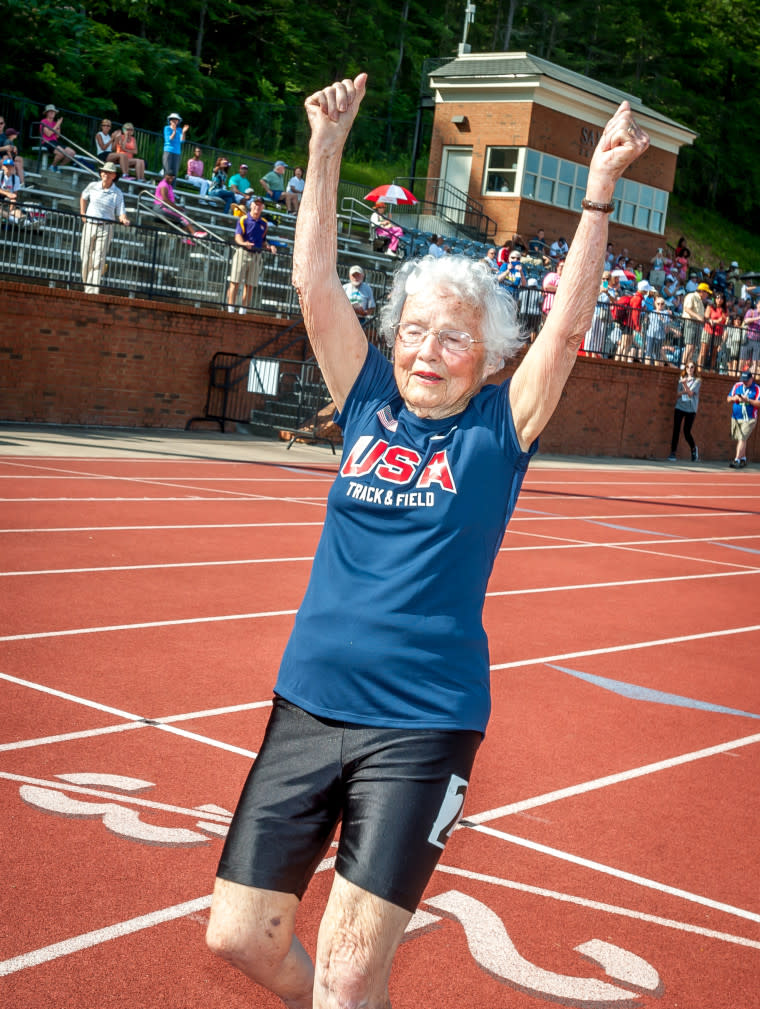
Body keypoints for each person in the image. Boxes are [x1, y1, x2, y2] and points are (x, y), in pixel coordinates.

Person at [205, 71, 649, 1009]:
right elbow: (311, 281)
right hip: (308, 703)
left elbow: (567, 329)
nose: (425, 351)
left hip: (421, 724)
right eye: (413, 331)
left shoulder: (498, 429)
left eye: (452, 338)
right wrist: (325, 146)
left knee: (354, 965)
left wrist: (600, 190)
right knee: (239, 935)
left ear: (487, 358)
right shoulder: (364, 395)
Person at [79, 162, 130, 295]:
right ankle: (87, 287)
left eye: (108, 172)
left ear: (114, 176)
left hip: (106, 228)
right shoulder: (92, 186)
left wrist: (123, 218)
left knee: (99, 260)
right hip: (89, 225)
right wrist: (82, 213)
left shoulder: (117, 193)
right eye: (103, 171)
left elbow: (121, 211)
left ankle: (92, 291)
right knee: (85, 258)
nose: (105, 174)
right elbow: (83, 197)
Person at [225, 195, 276, 314]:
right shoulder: (243, 219)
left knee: (250, 284)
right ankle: (230, 308)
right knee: (235, 281)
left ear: (262, 207)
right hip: (243, 253)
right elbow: (238, 236)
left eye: (260, 205)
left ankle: (243, 309)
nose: (257, 207)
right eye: (255, 204)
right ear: (251, 205)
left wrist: (269, 246)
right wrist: (243, 243)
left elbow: (263, 240)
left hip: (256, 255)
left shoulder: (264, 223)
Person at [153, 173, 206, 241]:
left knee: (184, 211)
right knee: (182, 217)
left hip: (166, 207)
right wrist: (176, 208)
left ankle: (183, 237)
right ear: (165, 176)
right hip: (161, 207)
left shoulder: (169, 185)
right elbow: (165, 199)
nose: (171, 179)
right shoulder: (164, 185)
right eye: (169, 177)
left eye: (172, 178)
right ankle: (194, 233)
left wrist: (178, 208)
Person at [668, 362, 700, 461]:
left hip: (691, 409)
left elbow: (690, 394)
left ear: (695, 369)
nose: (689, 369)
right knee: (676, 429)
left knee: (686, 432)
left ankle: (694, 449)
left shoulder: (697, 381)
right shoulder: (681, 379)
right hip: (680, 407)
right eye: (687, 367)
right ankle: (673, 453)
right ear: (685, 368)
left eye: (692, 367)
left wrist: (685, 385)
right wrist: (684, 388)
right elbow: (678, 393)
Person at [727, 370, 760, 467]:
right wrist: (735, 398)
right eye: (743, 380)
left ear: (751, 379)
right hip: (736, 417)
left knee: (742, 438)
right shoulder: (737, 386)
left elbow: (759, 403)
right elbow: (728, 398)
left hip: (750, 418)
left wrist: (748, 400)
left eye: (746, 380)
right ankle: (743, 459)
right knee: (741, 439)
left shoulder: (757, 389)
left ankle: (736, 460)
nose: (744, 382)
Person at [39, 103, 76, 171]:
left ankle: (59, 167)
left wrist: (58, 126)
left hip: (55, 142)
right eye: (51, 111)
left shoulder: (54, 123)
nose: (53, 113)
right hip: (46, 142)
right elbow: (48, 134)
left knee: (72, 153)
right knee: (61, 152)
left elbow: (57, 136)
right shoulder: (43, 122)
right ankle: (52, 166)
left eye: (54, 112)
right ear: (47, 113)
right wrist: (57, 124)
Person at [680, 281, 710, 366]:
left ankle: (687, 366)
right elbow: (687, 309)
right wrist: (698, 317)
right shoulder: (691, 296)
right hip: (690, 322)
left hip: (697, 324)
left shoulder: (700, 301)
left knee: (693, 347)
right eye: (707, 292)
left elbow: (701, 315)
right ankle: (682, 365)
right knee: (689, 345)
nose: (707, 295)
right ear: (702, 291)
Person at [700, 290, 728, 370]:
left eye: (721, 298)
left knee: (714, 353)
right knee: (703, 351)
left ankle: (711, 369)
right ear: (715, 299)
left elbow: (724, 320)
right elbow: (706, 317)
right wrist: (716, 321)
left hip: (718, 332)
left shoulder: (724, 309)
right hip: (708, 330)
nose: (719, 299)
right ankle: (699, 368)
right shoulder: (710, 306)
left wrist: (724, 321)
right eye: (718, 298)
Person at [0, 157, 27, 225]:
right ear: (3, 167)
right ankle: (15, 219)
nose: (8, 168)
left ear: (13, 168)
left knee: (14, 203)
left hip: (8, 199)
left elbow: (14, 194)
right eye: (6, 166)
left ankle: (24, 219)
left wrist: (11, 197)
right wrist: (7, 193)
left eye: (10, 167)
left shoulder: (16, 178)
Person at [0, 120, 26, 185]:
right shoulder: (7, 141)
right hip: (5, 157)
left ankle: (21, 183)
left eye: (1, 123)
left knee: (18, 164)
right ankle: (12, 183)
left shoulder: (5, 138)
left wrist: (14, 148)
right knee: (16, 161)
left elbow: (10, 150)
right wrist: (11, 157)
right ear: (11, 135)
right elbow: (7, 151)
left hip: (6, 157)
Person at [163, 112, 189, 177]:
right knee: (167, 172)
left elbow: (182, 140)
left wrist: (183, 132)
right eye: (173, 119)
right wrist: (174, 131)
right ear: (170, 121)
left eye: (176, 119)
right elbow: (169, 139)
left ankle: (172, 187)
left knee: (174, 173)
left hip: (177, 153)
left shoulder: (180, 130)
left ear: (178, 121)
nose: (175, 121)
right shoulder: (167, 128)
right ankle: (165, 187)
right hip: (168, 152)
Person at [741, 298, 760, 372]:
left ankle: (752, 377)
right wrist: (757, 318)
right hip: (748, 338)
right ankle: (739, 375)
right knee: (743, 359)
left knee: (756, 361)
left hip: (758, 341)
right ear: (757, 304)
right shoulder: (751, 312)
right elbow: (746, 320)